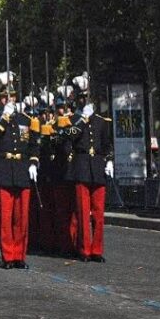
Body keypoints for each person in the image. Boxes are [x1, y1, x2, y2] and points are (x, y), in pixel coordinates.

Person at [0, 73, 40, 269]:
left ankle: (20, 255)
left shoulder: (25, 119)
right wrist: (4, 118)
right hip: (2, 170)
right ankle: (8, 255)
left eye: (10, 97)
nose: (7, 100)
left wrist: (33, 162)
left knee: (21, 217)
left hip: (22, 170)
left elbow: (34, 144)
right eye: (4, 97)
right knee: (5, 217)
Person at [65, 74, 113, 262]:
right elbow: (69, 137)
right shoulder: (74, 119)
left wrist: (109, 160)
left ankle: (97, 250)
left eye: (86, 97)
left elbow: (107, 144)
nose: (84, 100)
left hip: (97, 167)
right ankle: (85, 249)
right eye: (81, 98)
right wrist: (81, 120)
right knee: (83, 213)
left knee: (98, 214)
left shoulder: (101, 121)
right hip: (82, 167)